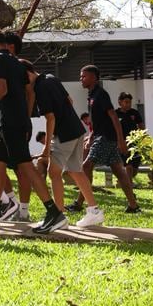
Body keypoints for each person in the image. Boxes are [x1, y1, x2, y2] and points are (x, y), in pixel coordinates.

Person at [0, 28, 67, 234]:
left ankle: (54, 213)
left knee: (26, 167)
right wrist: (0, 119)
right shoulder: (17, 63)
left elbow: (2, 90)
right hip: (13, 122)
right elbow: (23, 95)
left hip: (11, 125)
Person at [32, 65, 104, 227]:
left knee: (53, 172)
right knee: (76, 171)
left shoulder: (40, 87)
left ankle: (58, 215)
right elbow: (69, 100)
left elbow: (50, 118)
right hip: (76, 130)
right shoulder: (51, 78)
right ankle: (94, 211)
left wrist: (46, 147)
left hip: (64, 134)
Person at [71, 65, 140, 214]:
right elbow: (98, 120)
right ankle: (133, 206)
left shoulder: (101, 94)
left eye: (84, 76)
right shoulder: (91, 95)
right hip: (102, 136)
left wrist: (121, 140)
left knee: (86, 166)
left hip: (107, 138)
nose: (81, 79)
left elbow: (113, 116)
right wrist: (91, 136)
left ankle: (79, 204)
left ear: (94, 77)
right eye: (81, 76)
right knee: (119, 172)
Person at [116, 92, 145, 180]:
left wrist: (144, 138)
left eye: (130, 102)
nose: (128, 104)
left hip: (135, 143)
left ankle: (124, 180)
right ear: (120, 102)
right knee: (128, 165)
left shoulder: (134, 113)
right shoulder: (115, 114)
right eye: (126, 102)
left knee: (134, 169)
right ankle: (129, 185)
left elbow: (141, 126)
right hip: (123, 143)